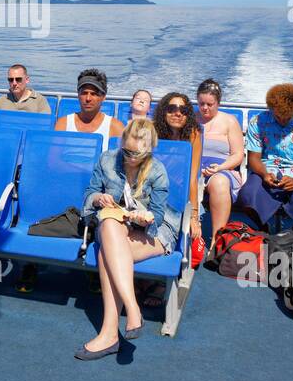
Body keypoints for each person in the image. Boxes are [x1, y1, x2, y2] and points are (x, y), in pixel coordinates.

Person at [75, 119, 180, 359]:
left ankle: (109, 334)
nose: (130, 157)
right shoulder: (107, 160)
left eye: (137, 153)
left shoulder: (157, 171)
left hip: (152, 232)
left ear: (149, 150)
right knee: (110, 221)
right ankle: (133, 309)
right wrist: (98, 198)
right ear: (121, 143)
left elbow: (159, 214)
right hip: (114, 228)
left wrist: (145, 218)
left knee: (107, 255)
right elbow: (89, 195)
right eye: (127, 150)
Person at [234, 84, 293, 232]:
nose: (282, 120)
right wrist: (264, 174)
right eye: (278, 116)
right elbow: (254, 158)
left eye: (287, 117)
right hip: (266, 170)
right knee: (246, 195)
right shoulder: (258, 122)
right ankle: (263, 229)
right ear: (271, 109)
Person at [196, 79, 244, 238]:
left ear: (218, 103)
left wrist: (220, 167)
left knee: (219, 182)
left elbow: (238, 155)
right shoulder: (191, 120)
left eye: (210, 104)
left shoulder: (229, 121)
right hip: (194, 169)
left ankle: (217, 240)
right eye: (201, 103)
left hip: (223, 169)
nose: (204, 108)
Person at [153, 92, 202, 243]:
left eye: (183, 110)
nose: (178, 113)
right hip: (153, 192)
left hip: (179, 196)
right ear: (163, 111)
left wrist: (194, 216)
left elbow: (192, 178)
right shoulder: (151, 132)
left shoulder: (192, 135)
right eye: (172, 108)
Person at [55, 68, 124, 141]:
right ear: (78, 95)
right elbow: (55, 152)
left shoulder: (115, 127)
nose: (88, 98)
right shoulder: (63, 124)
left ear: (103, 97)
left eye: (94, 94)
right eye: (84, 93)